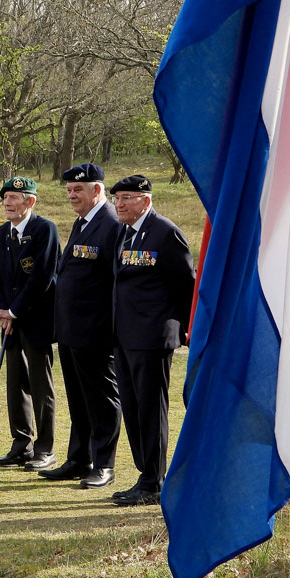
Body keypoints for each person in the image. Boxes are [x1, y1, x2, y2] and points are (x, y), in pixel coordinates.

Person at [109, 174, 195, 507]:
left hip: (152, 336)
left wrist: (185, 329)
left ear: (145, 200)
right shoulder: (123, 232)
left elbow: (185, 285)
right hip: (124, 335)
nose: (119, 204)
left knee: (150, 409)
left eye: (126, 198)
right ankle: (145, 474)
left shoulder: (165, 231)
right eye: (116, 199)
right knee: (131, 407)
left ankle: (154, 481)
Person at [40, 163, 126, 489]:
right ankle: (79, 458)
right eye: (69, 191)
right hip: (72, 330)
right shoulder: (81, 223)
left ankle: (103, 464)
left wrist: (111, 329)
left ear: (97, 190)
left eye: (79, 189)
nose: (72, 195)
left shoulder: (112, 224)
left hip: (97, 332)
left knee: (102, 400)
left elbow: (117, 283)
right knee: (78, 399)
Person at [0, 176, 60, 469]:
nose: (7, 202)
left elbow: (42, 277)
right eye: (5, 197)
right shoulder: (5, 232)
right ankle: (21, 444)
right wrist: (1, 309)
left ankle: (45, 448)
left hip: (36, 319)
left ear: (30, 201)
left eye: (15, 197)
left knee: (41, 385)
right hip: (11, 320)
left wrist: (14, 311)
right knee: (15, 382)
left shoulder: (45, 229)